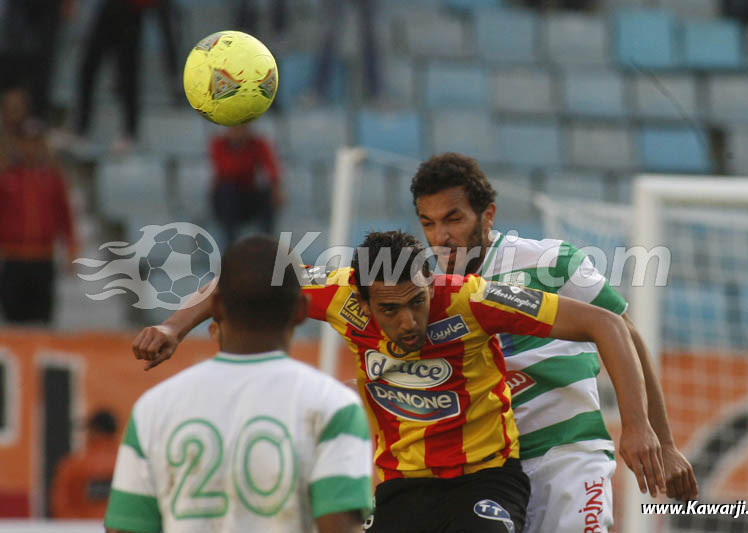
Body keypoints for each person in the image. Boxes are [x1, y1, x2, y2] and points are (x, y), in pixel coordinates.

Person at [132, 230, 665, 532]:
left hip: (486, 478)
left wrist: (638, 427)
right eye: (391, 310)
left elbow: (606, 323)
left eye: (418, 301)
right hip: (403, 486)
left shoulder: (471, 297)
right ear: (361, 302)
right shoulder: (338, 297)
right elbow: (246, 280)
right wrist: (173, 325)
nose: (410, 321)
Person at [410, 152, 698, 532]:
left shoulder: (550, 260)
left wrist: (659, 438)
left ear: (488, 215)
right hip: (489, 468)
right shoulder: (426, 294)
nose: (440, 237)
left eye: (453, 219)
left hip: (569, 455)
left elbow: (624, 334)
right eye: (428, 223)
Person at [105, 235, 372, 533]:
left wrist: (172, 327)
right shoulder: (335, 406)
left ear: (217, 307)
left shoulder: (153, 409)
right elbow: (338, 526)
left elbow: (124, 528)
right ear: (301, 311)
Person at [74, 0, 180, 151]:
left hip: (132, 9)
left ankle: (129, 132)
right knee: (90, 64)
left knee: (127, 70)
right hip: (115, 7)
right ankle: (81, 128)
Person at [0, 118, 77, 324]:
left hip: (43, 258)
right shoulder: (6, 177)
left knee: (42, 318)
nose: (30, 147)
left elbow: (65, 216)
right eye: (26, 141)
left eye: (35, 141)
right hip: (13, 258)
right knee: (13, 319)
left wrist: (71, 249)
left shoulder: (52, 178)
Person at [209, 124, 284, 248]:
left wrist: (276, 186)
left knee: (267, 194)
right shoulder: (219, 144)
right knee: (227, 191)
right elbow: (226, 171)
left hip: (247, 195)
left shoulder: (258, 144)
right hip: (227, 200)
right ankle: (230, 246)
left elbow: (271, 167)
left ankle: (268, 246)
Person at [50, 410, 118, 519]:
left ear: (94, 431)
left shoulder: (73, 464)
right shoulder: (126, 463)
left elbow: (60, 504)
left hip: (81, 527)